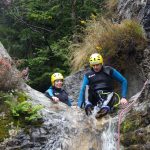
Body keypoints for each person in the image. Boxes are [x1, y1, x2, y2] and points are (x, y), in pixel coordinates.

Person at [77, 53, 128, 118]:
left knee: (111, 95)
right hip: (94, 97)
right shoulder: (88, 75)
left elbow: (123, 81)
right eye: (93, 65)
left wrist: (123, 97)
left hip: (108, 95)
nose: (95, 67)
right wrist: (79, 106)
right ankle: (88, 106)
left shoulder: (109, 70)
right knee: (86, 87)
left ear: (101, 63)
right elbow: (83, 90)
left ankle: (103, 109)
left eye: (97, 65)